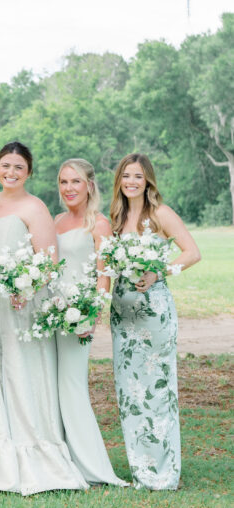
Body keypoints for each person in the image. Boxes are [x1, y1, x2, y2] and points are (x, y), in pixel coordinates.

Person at [0, 141, 87, 495]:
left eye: (18, 168)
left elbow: (50, 262)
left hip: (20, 303)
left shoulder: (34, 206)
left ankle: (35, 453)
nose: (10, 172)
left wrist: (26, 287)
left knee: (20, 370)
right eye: (5, 165)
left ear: (29, 172)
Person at [109, 153, 200, 490]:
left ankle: (164, 472)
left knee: (158, 391)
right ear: (119, 180)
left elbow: (192, 252)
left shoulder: (159, 214)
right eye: (126, 176)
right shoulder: (117, 217)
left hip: (154, 312)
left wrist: (160, 271)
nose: (131, 182)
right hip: (122, 312)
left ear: (148, 180)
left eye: (138, 176)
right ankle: (141, 469)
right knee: (131, 393)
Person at [54, 159, 126, 486]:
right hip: (50, 314)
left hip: (77, 317)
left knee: (72, 386)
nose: (69, 188)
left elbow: (104, 274)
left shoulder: (99, 224)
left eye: (76, 182)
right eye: (64, 182)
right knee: (51, 387)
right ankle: (60, 457)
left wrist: (92, 315)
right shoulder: (55, 222)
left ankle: (92, 466)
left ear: (89, 186)